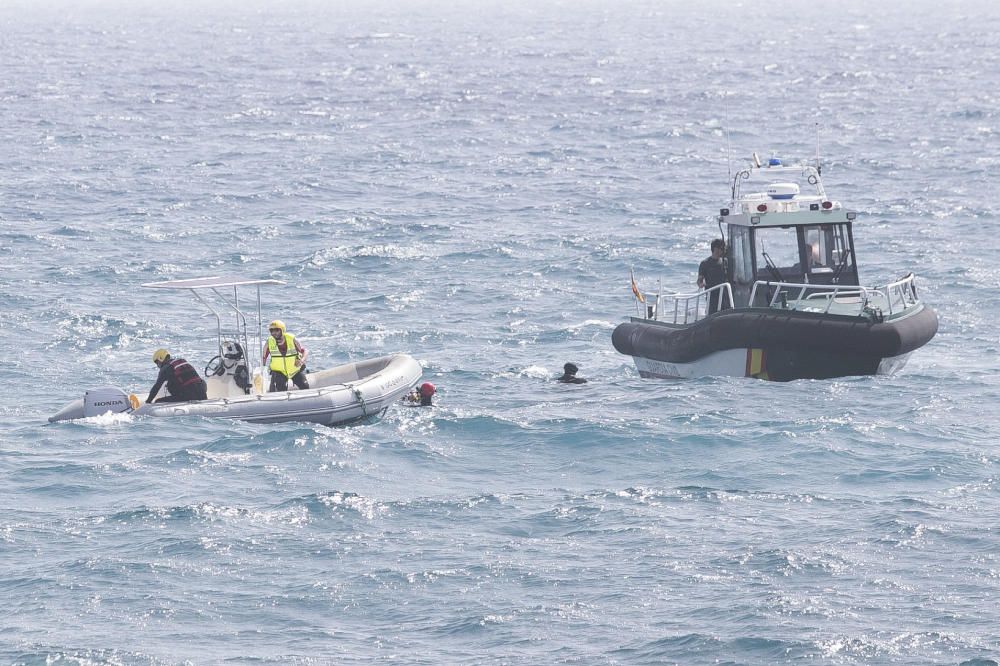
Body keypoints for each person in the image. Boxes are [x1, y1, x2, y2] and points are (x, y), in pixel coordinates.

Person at [262, 319, 310, 392]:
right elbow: (264, 357)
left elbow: (305, 351)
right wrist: (262, 371)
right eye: (272, 331)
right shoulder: (269, 342)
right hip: (279, 372)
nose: (274, 333)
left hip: (295, 370)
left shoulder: (292, 339)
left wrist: (301, 361)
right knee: (280, 390)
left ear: (282, 330)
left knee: (305, 386)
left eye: (277, 330)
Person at [697, 238, 729, 314]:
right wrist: (701, 284)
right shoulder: (705, 263)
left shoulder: (725, 261)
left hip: (724, 294)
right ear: (715, 249)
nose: (723, 250)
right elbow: (699, 280)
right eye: (721, 248)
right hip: (712, 295)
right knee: (713, 313)